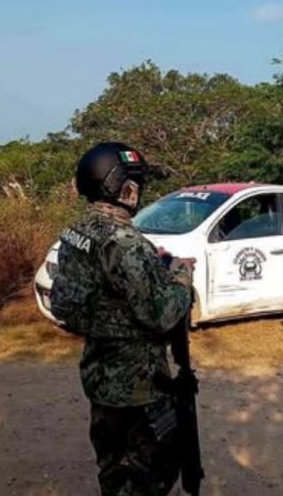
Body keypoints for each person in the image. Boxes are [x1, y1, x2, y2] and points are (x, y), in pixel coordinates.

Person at [49, 142, 194, 495]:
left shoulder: (76, 233)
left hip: (99, 377)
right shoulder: (124, 241)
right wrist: (181, 277)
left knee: (112, 469)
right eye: (135, 182)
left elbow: (67, 306)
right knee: (152, 474)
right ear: (121, 185)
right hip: (138, 386)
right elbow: (160, 316)